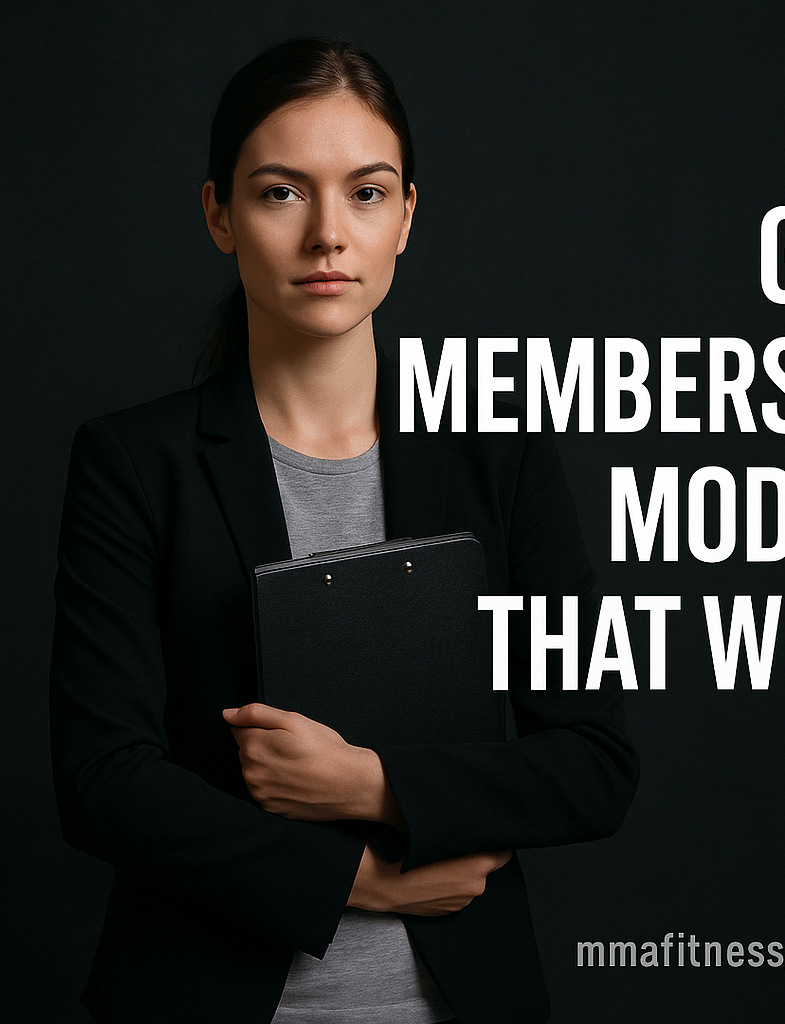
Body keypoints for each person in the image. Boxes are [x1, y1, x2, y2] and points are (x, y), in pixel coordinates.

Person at [50, 37, 639, 1024]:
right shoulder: (131, 462)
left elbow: (594, 764)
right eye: (282, 192)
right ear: (220, 215)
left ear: (405, 216)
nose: (328, 234)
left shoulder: (501, 458)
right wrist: (355, 880)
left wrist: (370, 784)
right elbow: (101, 782)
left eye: (366, 193)